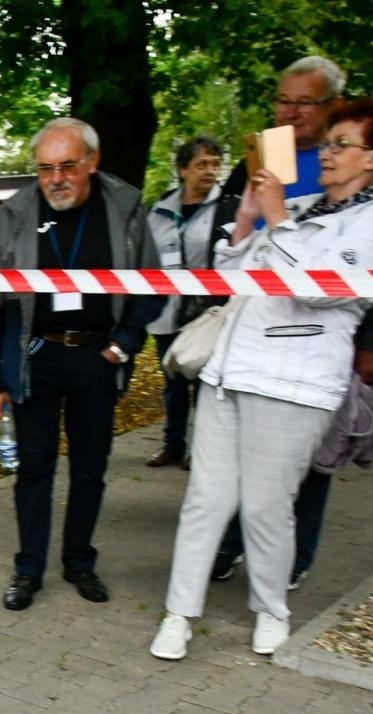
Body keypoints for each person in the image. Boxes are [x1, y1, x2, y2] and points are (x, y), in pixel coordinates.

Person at [150, 99, 373, 662]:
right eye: (330, 143)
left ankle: (271, 610)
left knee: (267, 506)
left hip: (293, 385)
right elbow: (229, 278)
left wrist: (277, 221)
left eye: (343, 144)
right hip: (230, 373)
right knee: (204, 500)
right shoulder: (299, 205)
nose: (330, 154)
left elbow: (325, 288)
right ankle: (180, 612)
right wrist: (246, 222)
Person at [208, 56, 373, 589]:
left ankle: (291, 560)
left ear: (333, 106)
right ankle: (228, 546)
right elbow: (230, 239)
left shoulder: (371, 190)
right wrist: (247, 220)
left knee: (310, 459)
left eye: (303, 102)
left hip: (316, 351)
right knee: (232, 463)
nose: (289, 111)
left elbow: (369, 276)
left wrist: (370, 344)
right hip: (250, 339)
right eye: (282, 100)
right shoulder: (265, 157)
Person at [0, 117, 164, 611]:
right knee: (33, 469)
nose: (55, 178)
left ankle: (79, 561)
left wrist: (123, 345)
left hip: (98, 354)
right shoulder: (17, 212)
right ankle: (28, 569)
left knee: (90, 469)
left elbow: (153, 285)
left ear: (92, 163)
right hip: (37, 355)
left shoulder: (124, 206)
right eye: (44, 169)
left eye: (67, 167)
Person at [145, 136, 224, 469]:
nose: (210, 171)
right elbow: (148, 255)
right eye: (201, 164)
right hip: (167, 310)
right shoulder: (161, 210)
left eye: (215, 164)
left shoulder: (226, 207)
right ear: (182, 170)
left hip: (208, 312)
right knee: (173, 381)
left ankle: (204, 450)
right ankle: (172, 444)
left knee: (206, 381)